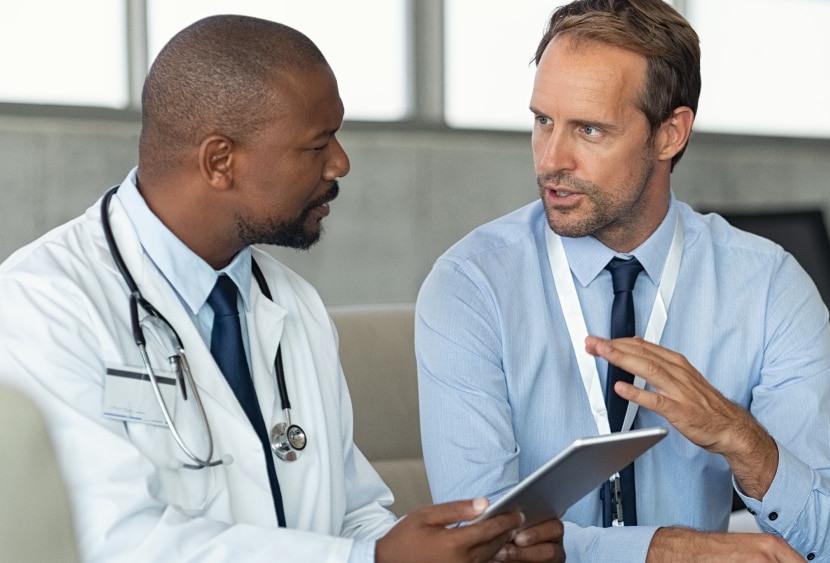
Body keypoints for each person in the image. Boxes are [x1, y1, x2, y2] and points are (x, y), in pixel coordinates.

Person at [0, 15, 565, 563]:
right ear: (220, 161)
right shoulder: (43, 307)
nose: (341, 164)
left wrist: (457, 552)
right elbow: (108, 543)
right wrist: (371, 560)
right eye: (317, 145)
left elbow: (351, 517)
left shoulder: (293, 305)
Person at [415, 0, 830, 561]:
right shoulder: (471, 286)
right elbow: (481, 543)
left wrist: (741, 438)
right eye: (543, 121)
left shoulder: (768, 287)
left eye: (589, 129)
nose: (551, 159)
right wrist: (668, 551)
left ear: (669, 134)